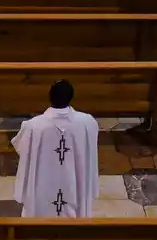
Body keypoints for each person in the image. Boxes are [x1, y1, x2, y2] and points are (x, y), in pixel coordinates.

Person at [13, 79, 100, 219]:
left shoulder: (33, 126)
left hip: (41, 186)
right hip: (75, 186)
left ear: (50, 97)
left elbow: (21, 148)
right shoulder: (87, 123)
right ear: (71, 98)